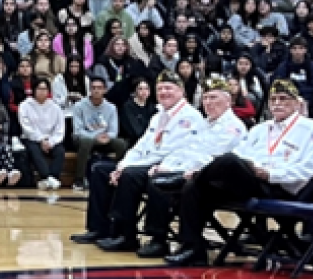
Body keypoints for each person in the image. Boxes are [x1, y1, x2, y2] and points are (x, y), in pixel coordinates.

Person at [168, 80, 313, 266]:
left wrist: (269, 174)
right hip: (248, 181)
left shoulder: (310, 128)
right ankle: (193, 248)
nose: (277, 104)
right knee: (193, 188)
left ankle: (192, 176)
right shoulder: (260, 128)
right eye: (273, 99)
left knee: (227, 161)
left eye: (283, 99)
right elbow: (240, 154)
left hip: (279, 186)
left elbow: (308, 170)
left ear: (297, 103)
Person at [73, 71, 204, 250]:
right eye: (160, 89)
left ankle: (127, 235)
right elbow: (140, 146)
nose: (164, 92)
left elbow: (172, 151)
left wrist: (130, 167)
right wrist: (122, 164)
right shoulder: (158, 116)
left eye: (169, 88)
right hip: (147, 164)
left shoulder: (190, 117)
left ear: (181, 91)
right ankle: (100, 228)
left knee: (130, 175)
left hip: (169, 167)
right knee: (100, 170)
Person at [134, 76, 248, 258]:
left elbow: (211, 158)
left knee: (175, 186)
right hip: (191, 172)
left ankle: (175, 242)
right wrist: (167, 166)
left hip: (216, 181)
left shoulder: (233, 127)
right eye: (205, 98)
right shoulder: (205, 124)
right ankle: (162, 239)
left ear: (228, 101)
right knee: (159, 180)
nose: (208, 103)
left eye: (214, 98)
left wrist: (182, 170)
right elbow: (185, 150)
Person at [70, 77, 129, 190]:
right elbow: (78, 130)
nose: (96, 90)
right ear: (90, 90)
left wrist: (107, 137)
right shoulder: (79, 106)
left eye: (99, 88)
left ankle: (118, 175)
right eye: (94, 88)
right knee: (86, 141)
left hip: (104, 139)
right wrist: (95, 137)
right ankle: (79, 179)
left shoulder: (111, 107)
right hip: (84, 138)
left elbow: (113, 131)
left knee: (121, 143)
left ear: (105, 90)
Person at [19, 78, 66, 190]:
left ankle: (53, 178)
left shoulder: (55, 107)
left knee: (60, 151)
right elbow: (26, 128)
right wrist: (41, 140)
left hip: (50, 139)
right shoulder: (25, 105)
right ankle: (46, 177)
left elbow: (60, 129)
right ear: (34, 90)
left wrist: (51, 142)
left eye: (45, 89)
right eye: (39, 89)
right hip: (31, 138)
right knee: (33, 150)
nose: (42, 91)